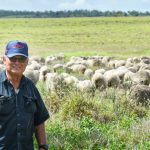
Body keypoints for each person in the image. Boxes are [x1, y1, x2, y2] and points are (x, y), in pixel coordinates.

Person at [0, 40, 50, 150]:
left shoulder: (31, 87)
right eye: (13, 58)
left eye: (21, 59)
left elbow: (39, 120)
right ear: (4, 60)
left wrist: (43, 146)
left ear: (27, 62)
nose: (17, 63)